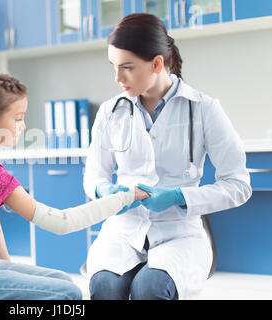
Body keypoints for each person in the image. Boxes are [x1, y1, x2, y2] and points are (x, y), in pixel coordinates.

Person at [0, 70, 149, 300]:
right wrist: (126, 197)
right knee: (69, 293)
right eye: (18, 118)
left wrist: (6, 267)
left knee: (62, 281)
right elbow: (61, 222)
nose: (24, 126)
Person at [83, 13, 252, 300]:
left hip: (179, 234)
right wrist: (104, 190)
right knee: (105, 287)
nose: (117, 78)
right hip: (123, 232)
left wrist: (178, 197)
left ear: (157, 63)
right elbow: (94, 174)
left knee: (148, 288)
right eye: (114, 66)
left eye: (127, 67)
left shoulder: (203, 109)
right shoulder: (111, 111)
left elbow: (239, 185)